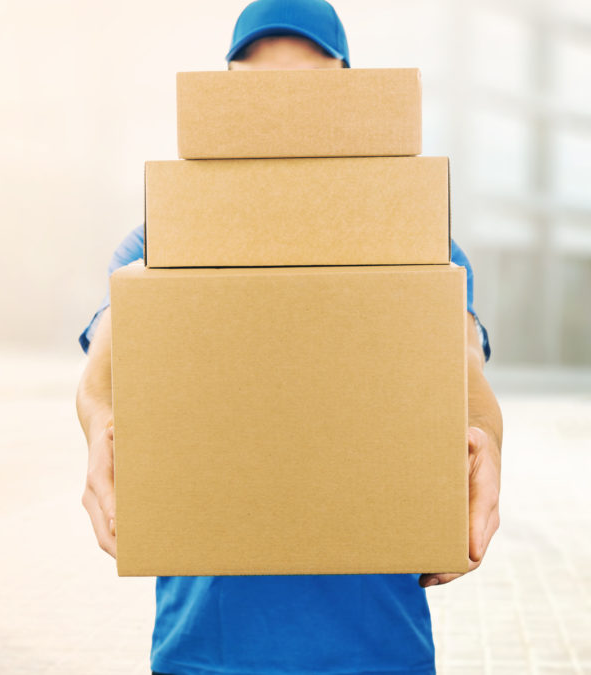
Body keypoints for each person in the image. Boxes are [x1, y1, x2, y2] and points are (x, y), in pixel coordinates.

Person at [73, 1, 506, 674]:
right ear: (225, 94)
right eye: (259, 86)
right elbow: (111, 341)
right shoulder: (163, 237)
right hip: (207, 650)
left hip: (378, 647)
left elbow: (463, 358)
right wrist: (98, 415)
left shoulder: (417, 238)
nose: (282, 107)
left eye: (305, 85)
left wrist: (489, 443)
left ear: (347, 96)